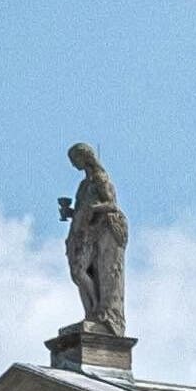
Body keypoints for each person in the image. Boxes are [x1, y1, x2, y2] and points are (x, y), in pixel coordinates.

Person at [59, 142, 128, 334]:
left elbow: (111, 204)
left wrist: (92, 209)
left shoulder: (100, 178)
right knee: (78, 273)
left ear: (85, 157)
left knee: (85, 271)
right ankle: (91, 313)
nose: (74, 165)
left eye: (75, 160)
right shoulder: (83, 185)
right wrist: (71, 212)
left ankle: (99, 312)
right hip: (82, 233)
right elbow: (83, 210)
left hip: (98, 231)